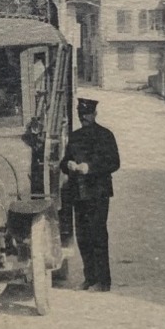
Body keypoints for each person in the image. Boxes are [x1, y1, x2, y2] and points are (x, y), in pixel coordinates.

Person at [60, 97, 121, 291]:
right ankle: (90, 278)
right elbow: (64, 161)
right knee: (83, 238)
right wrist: (68, 165)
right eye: (81, 115)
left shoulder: (105, 136)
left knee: (98, 236)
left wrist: (90, 167)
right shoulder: (75, 136)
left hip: (98, 192)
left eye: (87, 114)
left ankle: (103, 282)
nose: (83, 118)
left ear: (94, 114)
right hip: (78, 193)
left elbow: (114, 163)